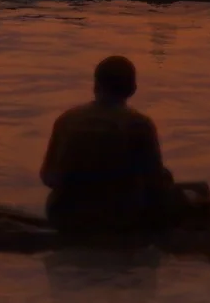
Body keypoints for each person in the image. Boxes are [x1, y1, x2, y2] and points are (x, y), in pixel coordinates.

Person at [40, 55, 180, 233]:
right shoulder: (139, 124)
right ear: (133, 89)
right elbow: (154, 185)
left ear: (95, 86)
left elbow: (48, 177)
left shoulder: (66, 120)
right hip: (120, 220)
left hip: (63, 216)